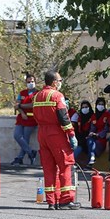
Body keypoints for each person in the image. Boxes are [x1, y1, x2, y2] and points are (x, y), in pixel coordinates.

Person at [33, 70, 80, 210]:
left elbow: (35, 116)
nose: (60, 83)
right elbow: (63, 118)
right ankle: (66, 200)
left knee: (48, 168)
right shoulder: (57, 95)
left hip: (42, 133)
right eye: (59, 81)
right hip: (56, 134)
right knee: (65, 164)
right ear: (54, 82)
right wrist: (71, 134)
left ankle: (52, 201)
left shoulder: (36, 96)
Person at [11, 74, 39, 166]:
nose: (30, 83)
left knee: (25, 138)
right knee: (17, 135)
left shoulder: (38, 93)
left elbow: (33, 105)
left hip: (31, 118)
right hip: (22, 117)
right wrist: (22, 112)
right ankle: (31, 152)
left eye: (32, 81)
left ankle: (20, 158)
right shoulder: (22, 93)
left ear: (35, 82)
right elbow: (16, 105)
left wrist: (20, 106)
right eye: (28, 82)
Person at [87, 97, 110, 166]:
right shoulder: (94, 116)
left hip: (103, 138)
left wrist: (98, 134)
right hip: (94, 137)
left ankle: (91, 158)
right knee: (89, 140)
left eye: (102, 104)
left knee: (94, 144)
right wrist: (91, 133)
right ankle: (92, 157)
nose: (100, 106)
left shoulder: (108, 115)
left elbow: (107, 129)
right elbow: (92, 127)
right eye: (99, 104)